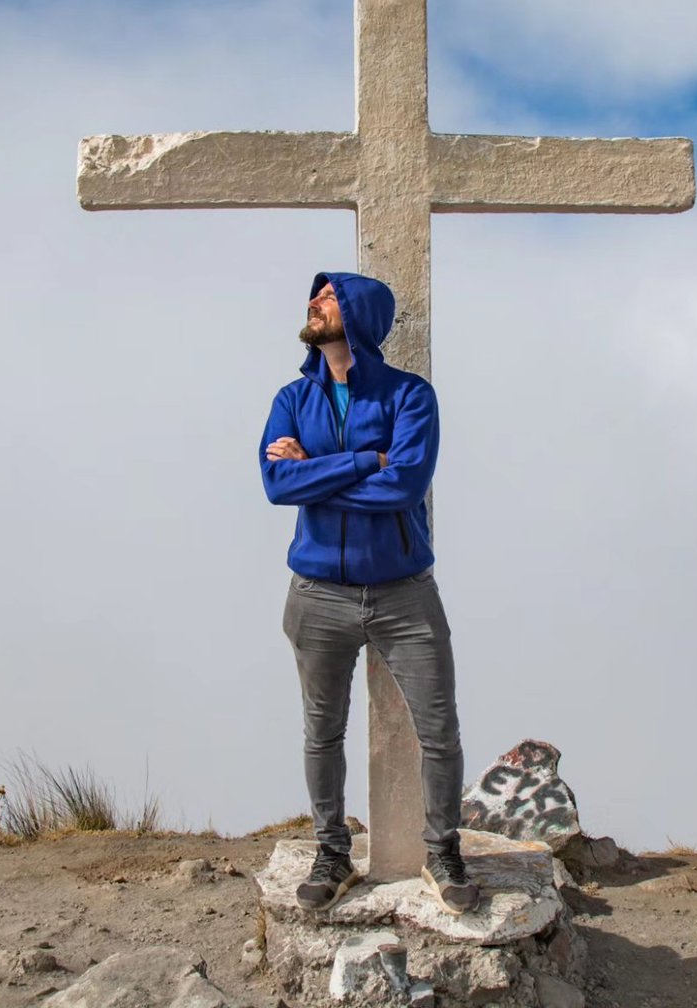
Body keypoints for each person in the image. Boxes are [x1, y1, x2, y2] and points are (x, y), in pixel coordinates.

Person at [259, 271, 479, 916]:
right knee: (321, 732)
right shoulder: (291, 397)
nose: (314, 304)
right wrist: (363, 461)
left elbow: (405, 488)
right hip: (317, 592)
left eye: (328, 298)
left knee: (439, 729)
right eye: (315, 296)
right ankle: (332, 851)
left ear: (357, 314)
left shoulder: (411, 396)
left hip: (404, 594)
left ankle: (442, 851)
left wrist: (313, 472)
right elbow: (276, 486)